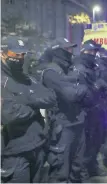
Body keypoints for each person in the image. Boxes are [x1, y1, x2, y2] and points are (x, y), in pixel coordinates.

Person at [1, 36, 56, 183]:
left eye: (23, 54)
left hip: (37, 146)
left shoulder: (26, 78)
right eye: (16, 54)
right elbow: (8, 115)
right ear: (3, 54)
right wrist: (35, 103)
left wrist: (27, 100)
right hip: (15, 154)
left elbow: (50, 97)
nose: (20, 58)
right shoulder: (2, 80)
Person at [33, 38, 89, 183]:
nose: (71, 52)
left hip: (78, 122)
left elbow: (83, 92)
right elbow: (71, 95)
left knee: (77, 166)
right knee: (61, 171)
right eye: (68, 49)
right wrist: (81, 86)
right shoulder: (51, 72)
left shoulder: (70, 69)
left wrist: (80, 87)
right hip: (62, 127)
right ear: (58, 51)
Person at [71, 39, 107, 178]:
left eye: (94, 51)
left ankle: (93, 166)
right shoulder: (78, 66)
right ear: (83, 50)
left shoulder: (93, 65)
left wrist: (102, 85)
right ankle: (84, 171)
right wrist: (95, 87)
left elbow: (99, 80)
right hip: (84, 111)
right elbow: (79, 91)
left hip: (97, 109)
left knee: (97, 141)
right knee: (85, 143)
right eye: (90, 51)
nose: (93, 54)